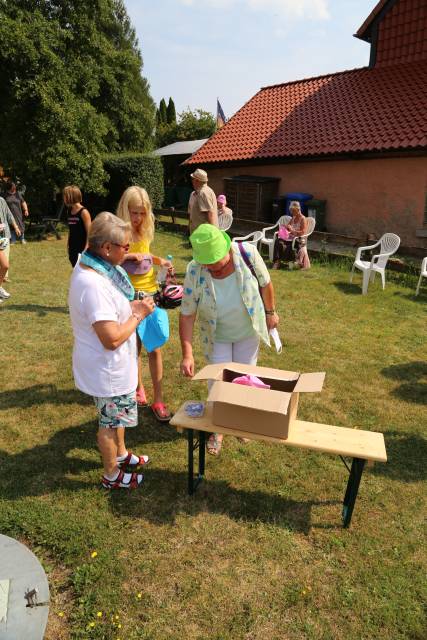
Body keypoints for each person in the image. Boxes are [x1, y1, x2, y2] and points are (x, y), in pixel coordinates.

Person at [68, 212, 155, 490]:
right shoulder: (92, 285)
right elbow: (112, 338)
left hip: (113, 365)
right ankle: (111, 474)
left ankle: (121, 454)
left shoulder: (95, 266)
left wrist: (132, 304)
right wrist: (138, 314)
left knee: (116, 416)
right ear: (106, 248)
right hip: (107, 367)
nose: (128, 251)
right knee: (108, 422)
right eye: (125, 247)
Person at [179, 224, 279, 455]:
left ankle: (241, 423)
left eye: (217, 261)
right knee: (219, 382)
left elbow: (265, 284)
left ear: (226, 248)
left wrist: (271, 312)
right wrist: (187, 353)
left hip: (247, 330)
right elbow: (187, 314)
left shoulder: (247, 254)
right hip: (216, 336)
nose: (213, 267)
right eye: (208, 263)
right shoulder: (195, 270)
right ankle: (218, 429)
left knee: (247, 377)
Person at [116, 185, 173, 422]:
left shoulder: (146, 230)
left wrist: (162, 262)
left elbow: (147, 256)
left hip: (150, 294)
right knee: (134, 349)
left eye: (142, 212)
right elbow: (109, 259)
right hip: (128, 297)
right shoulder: (119, 232)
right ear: (124, 210)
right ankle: (139, 388)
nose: (138, 218)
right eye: (133, 212)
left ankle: (158, 399)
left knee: (155, 346)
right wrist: (128, 256)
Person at [272, 201, 310, 270]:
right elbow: (288, 226)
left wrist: (293, 231)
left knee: (288, 246)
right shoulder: (294, 217)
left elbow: (303, 232)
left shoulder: (303, 219)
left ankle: (289, 262)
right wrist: (286, 227)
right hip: (290, 238)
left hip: (298, 239)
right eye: (291, 211)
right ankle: (277, 262)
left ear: (298, 210)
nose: (292, 213)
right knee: (278, 241)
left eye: (293, 211)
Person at [63, 185, 92, 267]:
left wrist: (86, 248)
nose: (64, 198)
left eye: (65, 196)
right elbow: (71, 229)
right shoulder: (69, 211)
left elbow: (90, 232)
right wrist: (68, 244)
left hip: (82, 247)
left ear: (70, 197)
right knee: (75, 267)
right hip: (73, 247)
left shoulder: (84, 212)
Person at [0, 196, 21, 302]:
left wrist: (16, 227)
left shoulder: (1, 200)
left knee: (5, 265)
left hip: (3, 237)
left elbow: (9, 215)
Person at [188, 168, 218, 234]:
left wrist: (213, 233)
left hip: (203, 234)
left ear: (197, 181)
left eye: (193, 179)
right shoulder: (200, 192)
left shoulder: (203, 192)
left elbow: (210, 213)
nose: (192, 181)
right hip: (198, 233)